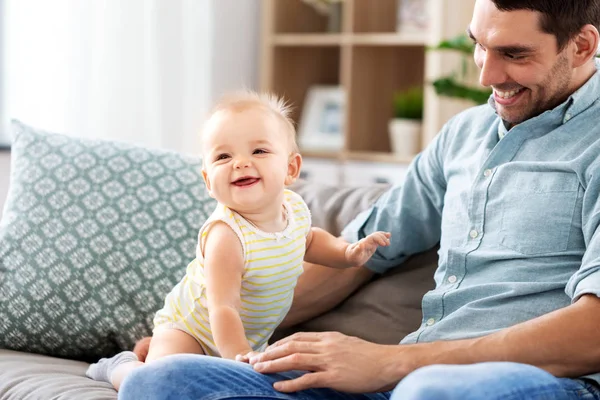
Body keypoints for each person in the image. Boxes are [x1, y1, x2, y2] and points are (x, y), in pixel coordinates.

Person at [118, 0, 600, 398]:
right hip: (400, 380)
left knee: (431, 393)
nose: (485, 75)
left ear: (582, 45)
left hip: (534, 383)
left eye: (514, 54)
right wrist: (199, 338)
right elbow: (367, 253)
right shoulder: (463, 136)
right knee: (165, 380)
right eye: (479, 45)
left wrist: (389, 361)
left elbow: (593, 331)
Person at [85, 91, 391, 390]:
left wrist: (347, 253)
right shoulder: (226, 236)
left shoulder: (294, 208)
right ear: (208, 181)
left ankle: (151, 350)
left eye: (258, 151)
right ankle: (121, 367)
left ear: (291, 168)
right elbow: (224, 309)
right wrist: (238, 358)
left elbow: (310, 241)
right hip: (192, 332)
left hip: (248, 336)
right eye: (223, 156)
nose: (241, 163)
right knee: (157, 382)